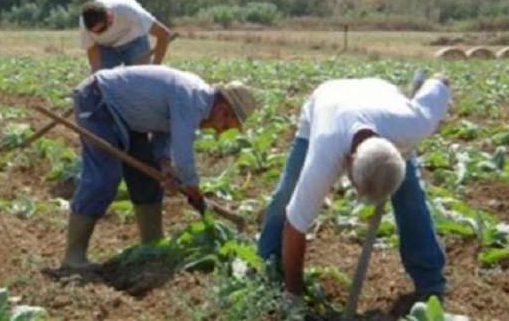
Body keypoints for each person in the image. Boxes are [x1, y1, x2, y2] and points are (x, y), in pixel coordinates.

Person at [257, 74, 452, 307]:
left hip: (382, 96)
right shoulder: (324, 154)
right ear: (348, 162)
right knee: (287, 194)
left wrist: (438, 80)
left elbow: (439, 83)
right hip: (328, 99)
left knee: (412, 201)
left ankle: (430, 284)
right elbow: (295, 224)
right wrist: (294, 294)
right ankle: (269, 263)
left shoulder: (414, 124)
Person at [62, 65, 257, 270]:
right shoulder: (192, 99)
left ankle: (152, 246)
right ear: (222, 110)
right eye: (225, 126)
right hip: (98, 100)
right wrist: (194, 190)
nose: (219, 132)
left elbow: (164, 129)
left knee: (148, 178)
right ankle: (73, 256)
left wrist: (164, 163)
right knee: (104, 178)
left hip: (129, 116)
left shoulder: (196, 100)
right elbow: (183, 155)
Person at [80, 0, 172, 71]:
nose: (99, 34)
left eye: (101, 29)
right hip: (106, 48)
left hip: (134, 42)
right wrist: (97, 74)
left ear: (109, 17)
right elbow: (92, 49)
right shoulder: (84, 23)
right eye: (95, 32)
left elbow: (164, 34)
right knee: (105, 82)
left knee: (141, 80)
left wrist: (155, 67)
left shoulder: (128, 11)